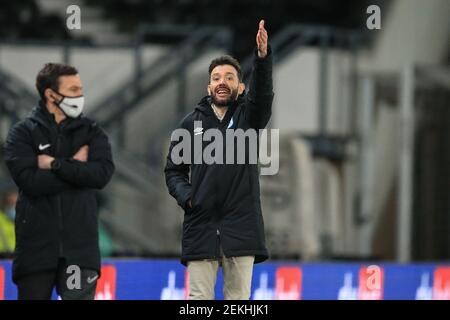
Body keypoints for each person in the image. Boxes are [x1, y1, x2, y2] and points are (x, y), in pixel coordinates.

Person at [164, 20, 273, 300]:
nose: (222, 82)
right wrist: (189, 197)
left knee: (237, 301)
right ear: (209, 85)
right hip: (201, 226)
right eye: (216, 77)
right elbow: (173, 170)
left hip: (242, 227)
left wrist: (262, 59)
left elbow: (261, 96)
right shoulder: (189, 124)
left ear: (240, 86)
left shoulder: (249, 118)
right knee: (198, 301)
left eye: (229, 77)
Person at [3, 63, 115, 300]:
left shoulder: (92, 132)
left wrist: (55, 165)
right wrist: (76, 169)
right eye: (73, 90)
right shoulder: (22, 133)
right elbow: (29, 181)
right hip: (36, 251)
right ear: (50, 94)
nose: (80, 96)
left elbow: (100, 175)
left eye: (80, 89)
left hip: (79, 253)